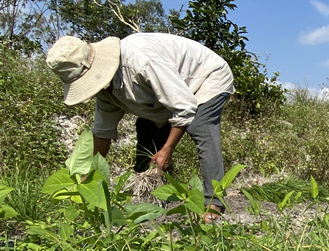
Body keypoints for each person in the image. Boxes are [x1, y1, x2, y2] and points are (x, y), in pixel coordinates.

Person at [46, 33, 235, 223]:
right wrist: (88, 176)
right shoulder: (105, 91)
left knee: (199, 126)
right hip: (171, 91)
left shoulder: (141, 63)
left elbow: (184, 107)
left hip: (207, 77)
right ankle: (148, 198)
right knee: (147, 128)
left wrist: (167, 148)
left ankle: (214, 201)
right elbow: (103, 133)